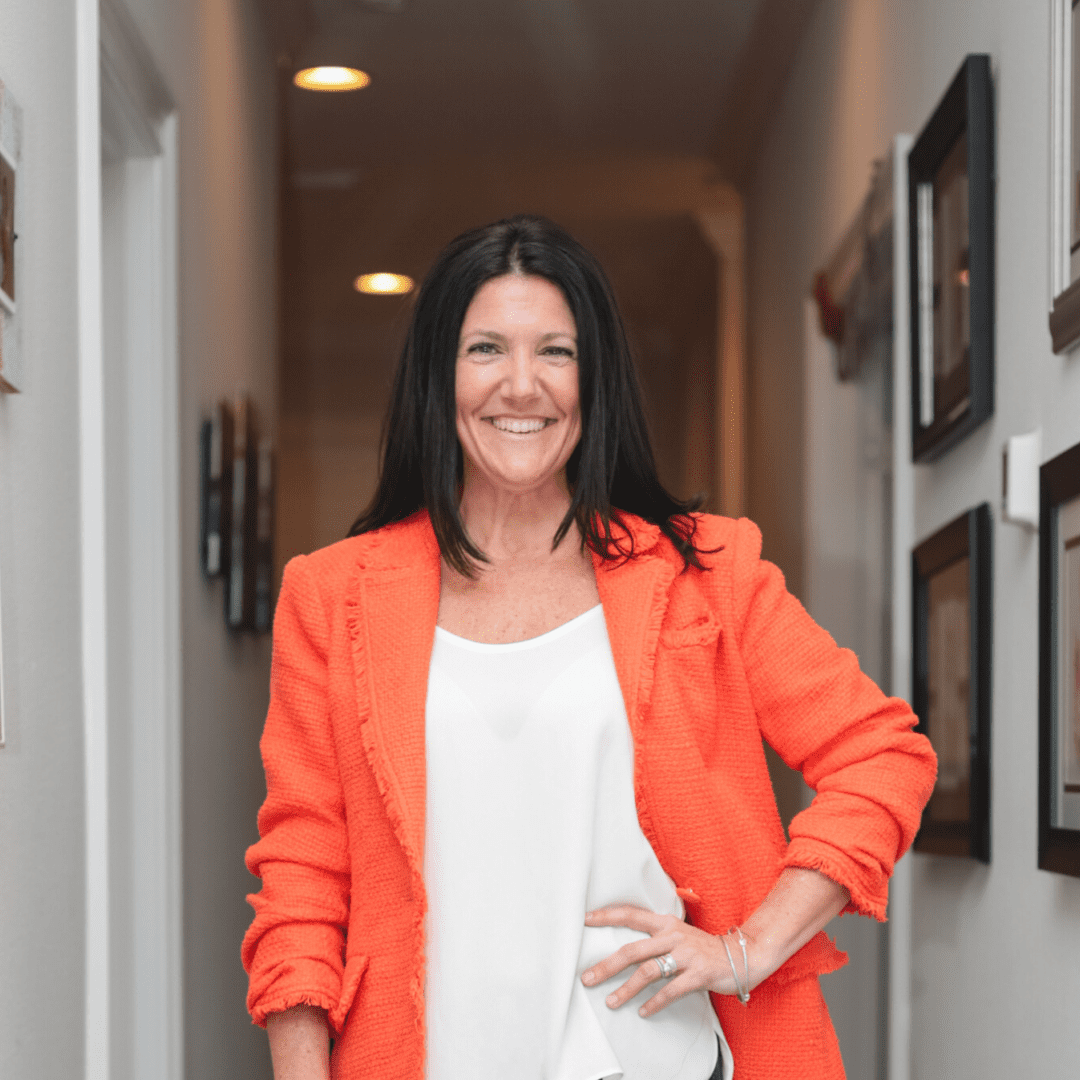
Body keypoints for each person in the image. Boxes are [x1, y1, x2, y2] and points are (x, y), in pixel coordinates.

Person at [242, 215, 937, 1080]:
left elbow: (883, 755)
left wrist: (747, 949)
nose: (523, 386)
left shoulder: (705, 571)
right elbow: (305, 875)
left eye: (557, 353)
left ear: (594, 375)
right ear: (439, 374)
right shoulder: (332, 594)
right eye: (486, 349)